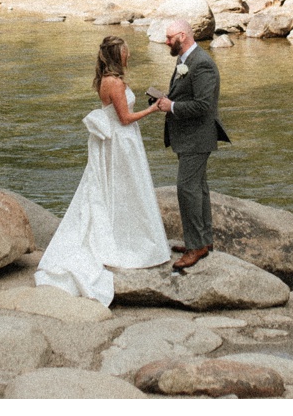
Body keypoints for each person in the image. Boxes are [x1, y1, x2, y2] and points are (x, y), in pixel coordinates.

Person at [35, 35, 171, 305]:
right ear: (116, 55)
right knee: (126, 190)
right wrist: (154, 109)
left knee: (116, 191)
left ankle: (122, 234)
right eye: (125, 51)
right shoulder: (115, 82)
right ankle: (127, 243)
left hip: (118, 142)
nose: (128, 54)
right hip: (121, 143)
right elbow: (124, 118)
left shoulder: (105, 80)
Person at [153, 17, 230, 271]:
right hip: (187, 135)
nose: (166, 41)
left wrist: (171, 106)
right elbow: (185, 94)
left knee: (187, 189)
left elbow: (204, 105)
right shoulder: (183, 60)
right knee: (199, 188)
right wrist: (167, 99)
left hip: (198, 137)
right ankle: (203, 241)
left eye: (169, 37)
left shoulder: (203, 64)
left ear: (182, 37)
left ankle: (195, 247)